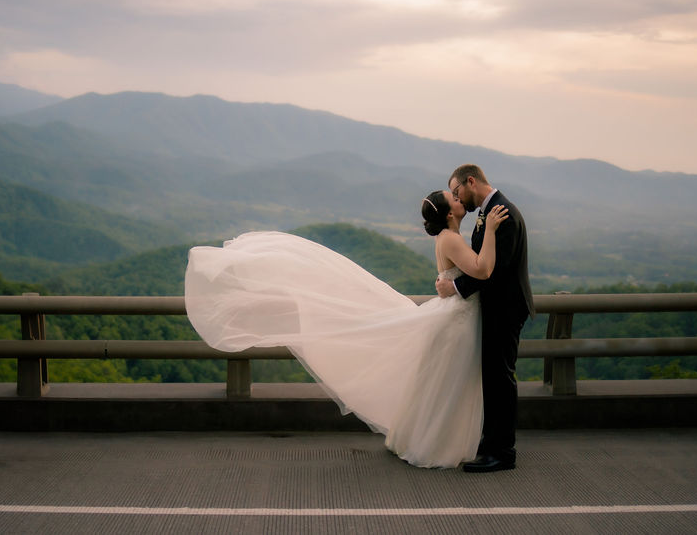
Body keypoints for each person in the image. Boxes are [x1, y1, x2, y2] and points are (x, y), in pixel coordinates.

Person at [184, 190, 509, 469]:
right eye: (453, 197)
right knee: (448, 385)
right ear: (450, 211)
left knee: (441, 384)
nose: (458, 198)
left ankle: (425, 440)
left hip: (455, 315)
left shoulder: (446, 237)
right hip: (457, 320)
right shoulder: (451, 238)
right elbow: (481, 269)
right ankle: (438, 447)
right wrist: (492, 229)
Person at [436, 164, 534, 473]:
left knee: (500, 378)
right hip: (496, 307)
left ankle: (502, 452)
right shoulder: (487, 212)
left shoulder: (500, 212)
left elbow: (494, 269)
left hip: (505, 308)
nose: (457, 198)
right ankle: (490, 443)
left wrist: (455, 287)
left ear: (471, 182)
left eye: (456, 191)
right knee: (493, 377)